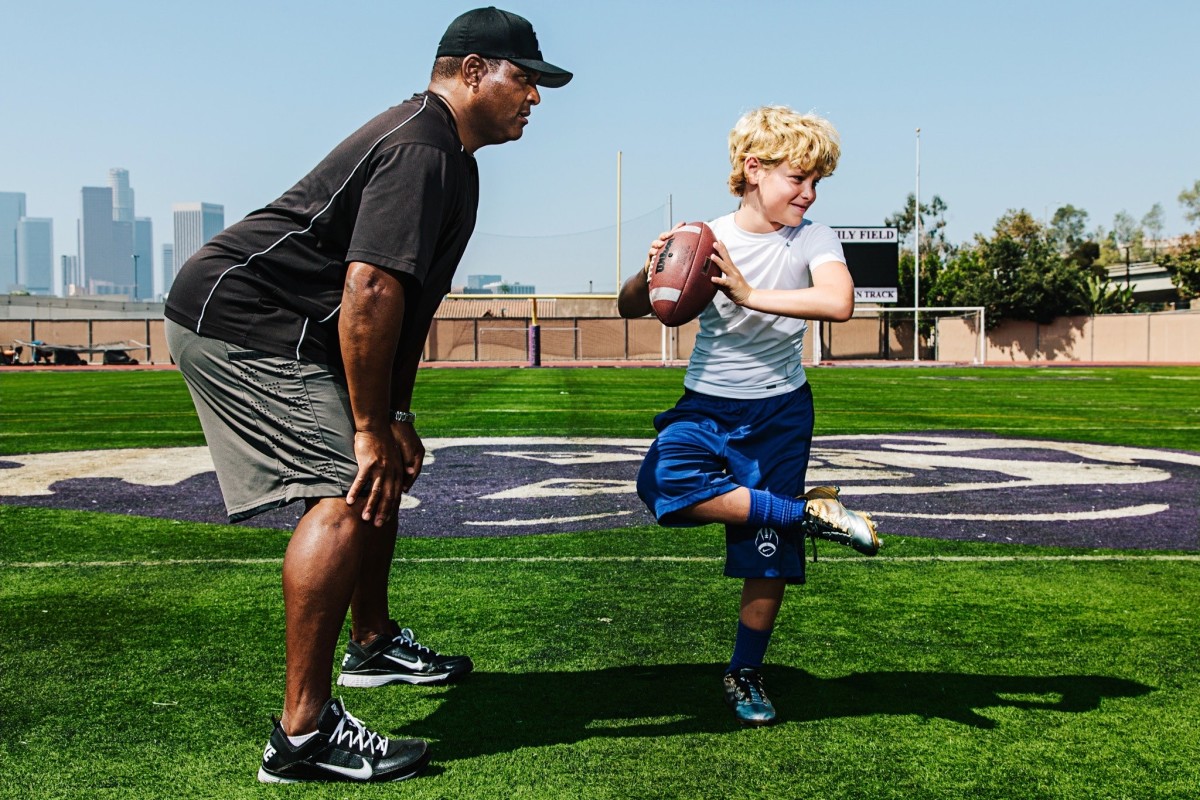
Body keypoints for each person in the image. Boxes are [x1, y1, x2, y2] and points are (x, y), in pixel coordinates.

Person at [164, 7, 571, 783]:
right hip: (245, 320)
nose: (536, 99)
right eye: (526, 79)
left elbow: (405, 304)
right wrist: (364, 424)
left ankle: (374, 644)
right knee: (346, 491)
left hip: (284, 323)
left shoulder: (454, 158)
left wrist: (397, 416)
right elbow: (370, 286)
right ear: (474, 70)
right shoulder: (423, 148)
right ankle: (303, 735)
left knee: (382, 466)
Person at [618, 105, 879, 727]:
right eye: (798, 179)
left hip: (781, 412)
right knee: (662, 487)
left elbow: (839, 302)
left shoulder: (812, 237)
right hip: (707, 402)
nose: (808, 194)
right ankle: (810, 513)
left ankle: (745, 672)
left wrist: (747, 292)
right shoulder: (704, 237)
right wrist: (651, 268)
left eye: (817, 182)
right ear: (753, 169)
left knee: (767, 554)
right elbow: (634, 306)